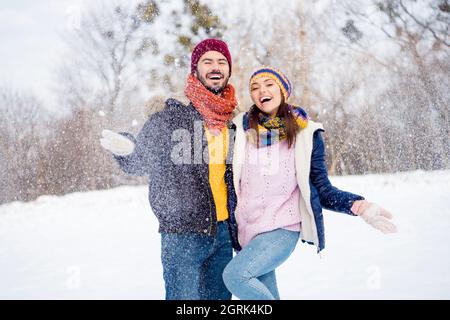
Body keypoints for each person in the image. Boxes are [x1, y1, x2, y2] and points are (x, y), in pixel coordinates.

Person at [222, 67, 397, 300]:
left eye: (269, 84)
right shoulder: (239, 130)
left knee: (235, 276)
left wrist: (360, 206)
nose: (261, 90)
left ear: (283, 90)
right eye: (255, 87)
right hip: (247, 232)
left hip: (281, 229)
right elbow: (227, 179)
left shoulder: (306, 134)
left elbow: (322, 189)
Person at [99, 38, 241, 300]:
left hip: (222, 233)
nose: (215, 67)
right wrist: (127, 148)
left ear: (229, 70)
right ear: (195, 69)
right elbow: (141, 159)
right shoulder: (170, 115)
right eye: (207, 61)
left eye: (222, 61)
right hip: (182, 234)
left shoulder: (233, 120)